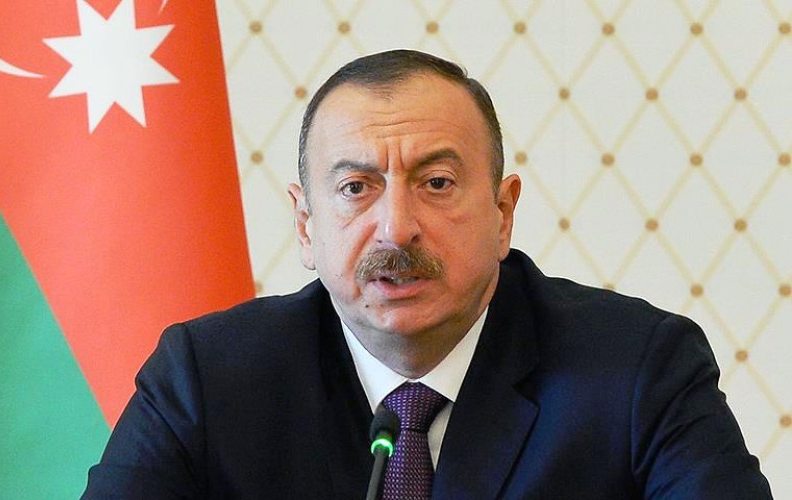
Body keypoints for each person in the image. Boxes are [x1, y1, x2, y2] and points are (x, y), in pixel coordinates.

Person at [82, 50, 772, 499]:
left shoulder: (638, 370)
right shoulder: (206, 378)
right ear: (305, 226)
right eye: (355, 188)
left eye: (436, 182)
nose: (396, 227)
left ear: (502, 213)